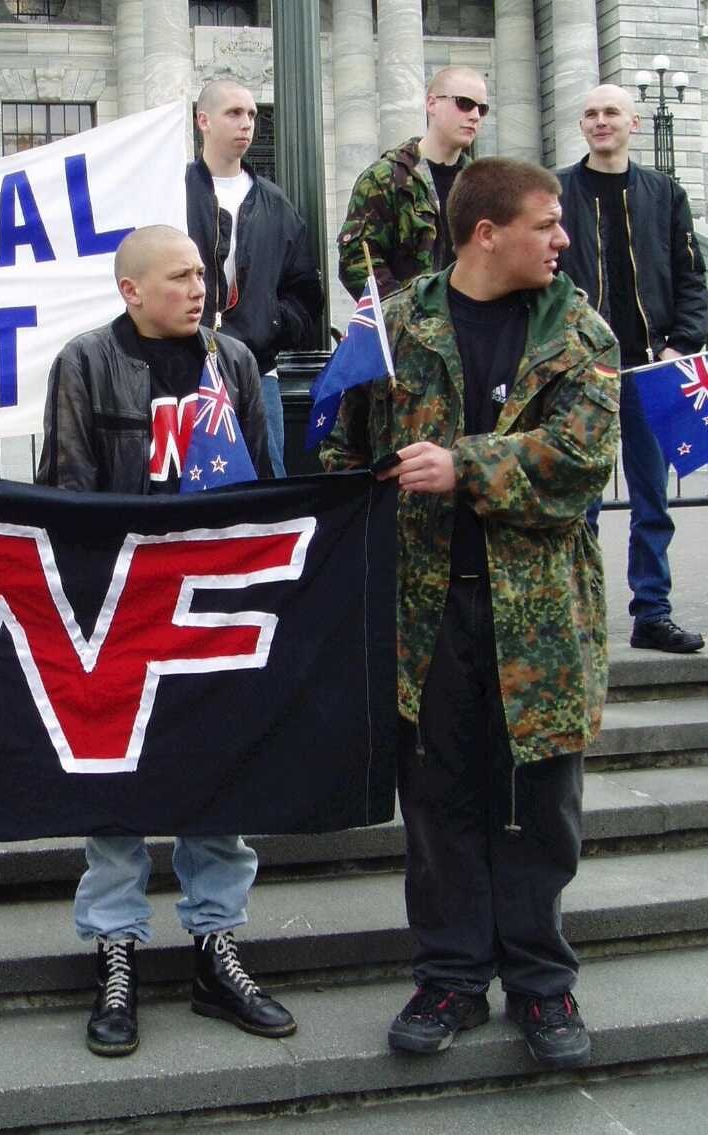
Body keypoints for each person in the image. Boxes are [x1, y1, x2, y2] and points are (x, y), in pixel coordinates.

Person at [321, 159, 620, 1069]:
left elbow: (579, 461)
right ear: (486, 233)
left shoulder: (581, 330)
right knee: (440, 799)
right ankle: (449, 973)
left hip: (541, 618)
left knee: (541, 805)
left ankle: (540, 982)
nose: (562, 239)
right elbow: (346, 443)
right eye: (545, 223)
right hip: (425, 610)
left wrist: (467, 464)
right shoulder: (395, 323)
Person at [36, 224, 295, 1056]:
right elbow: (66, 485)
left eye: (203, 272)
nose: (199, 286)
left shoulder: (236, 363)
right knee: (112, 783)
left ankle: (217, 945)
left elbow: (263, 484)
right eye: (180, 275)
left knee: (215, 781)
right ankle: (116, 949)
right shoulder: (84, 361)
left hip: (209, 610)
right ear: (131, 291)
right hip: (116, 608)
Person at [557, 84, 708, 653]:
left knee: (652, 499)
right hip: (581, 372)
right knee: (582, 503)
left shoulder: (664, 193)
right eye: (591, 114)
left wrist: (681, 343)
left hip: (650, 370)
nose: (601, 122)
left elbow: (692, 276)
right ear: (582, 125)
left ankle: (653, 612)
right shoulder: (559, 190)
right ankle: (581, 613)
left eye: (611, 112)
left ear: (634, 123)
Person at [186, 77, 324, 477]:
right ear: (204, 121)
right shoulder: (173, 191)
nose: (247, 123)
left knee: (267, 480)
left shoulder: (274, 202)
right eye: (234, 113)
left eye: (251, 114)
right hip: (185, 369)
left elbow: (303, 288)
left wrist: (271, 326)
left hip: (257, 370)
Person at [338, 65, 488, 300]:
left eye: (482, 108)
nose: (475, 116)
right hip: (409, 328)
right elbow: (358, 262)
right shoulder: (385, 178)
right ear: (432, 104)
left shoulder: (484, 183)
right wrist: (411, 317)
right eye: (464, 103)